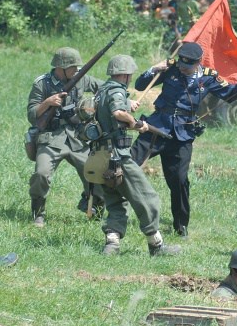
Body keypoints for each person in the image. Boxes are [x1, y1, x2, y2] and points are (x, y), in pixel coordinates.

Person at [131, 42, 237, 237]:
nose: (182, 68)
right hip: (157, 126)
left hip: (182, 134)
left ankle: (181, 225)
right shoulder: (170, 68)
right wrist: (154, 68)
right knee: (127, 164)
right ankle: (100, 205)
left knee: (179, 180)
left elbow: (230, 95)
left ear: (198, 64)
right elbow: (139, 85)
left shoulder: (209, 77)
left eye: (187, 67)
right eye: (181, 64)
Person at [92, 55, 180, 256]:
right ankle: (156, 245)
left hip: (99, 155)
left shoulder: (102, 90)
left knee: (115, 200)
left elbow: (109, 113)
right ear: (124, 74)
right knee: (148, 198)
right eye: (130, 74)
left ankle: (111, 244)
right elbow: (117, 113)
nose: (131, 77)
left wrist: (127, 105)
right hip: (117, 157)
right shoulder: (116, 91)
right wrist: (134, 123)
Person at [27, 47, 105, 227]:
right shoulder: (42, 84)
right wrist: (47, 103)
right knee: (41, 173)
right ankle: (38, 212)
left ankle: (94, 208)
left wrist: (121, 96)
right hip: (51, 137)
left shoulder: (81, 79)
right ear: (60, 68)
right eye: (73, 67)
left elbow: (105, 87)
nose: (77, 70)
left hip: (77, 137)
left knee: (95, 172)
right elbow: (31, 114)